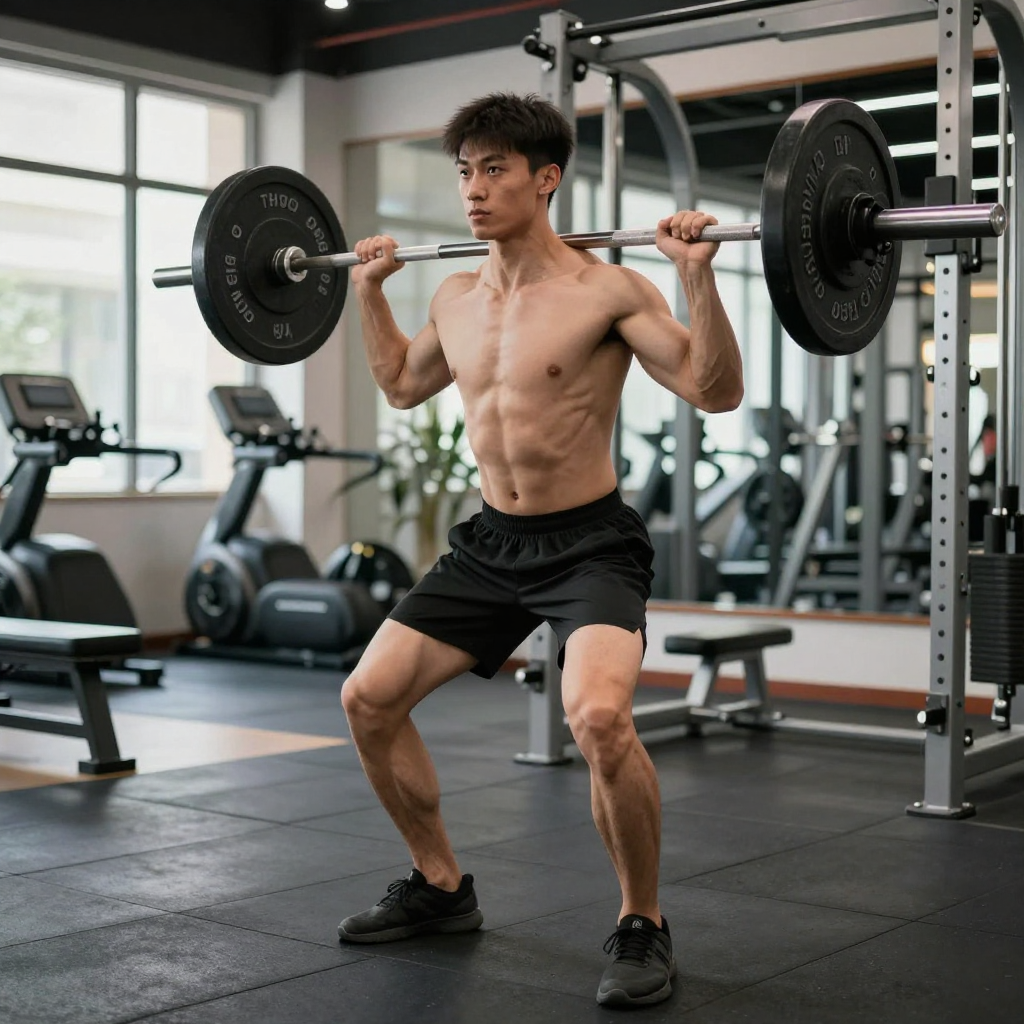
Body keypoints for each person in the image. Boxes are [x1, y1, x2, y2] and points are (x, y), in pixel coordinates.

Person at [337, 92, 743, 1009]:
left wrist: (697, 278)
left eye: (494, 170)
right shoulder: (454, 294)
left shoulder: (607, 290)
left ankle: (644, 921)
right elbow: (402, 385)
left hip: (590, 542)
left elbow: (714, 392)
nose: (473, 191)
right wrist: (369, 294)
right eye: (464, 171)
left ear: (545, 178)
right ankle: (439, 886)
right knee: (367, 699)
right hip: (490, 541)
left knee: (599, 720)